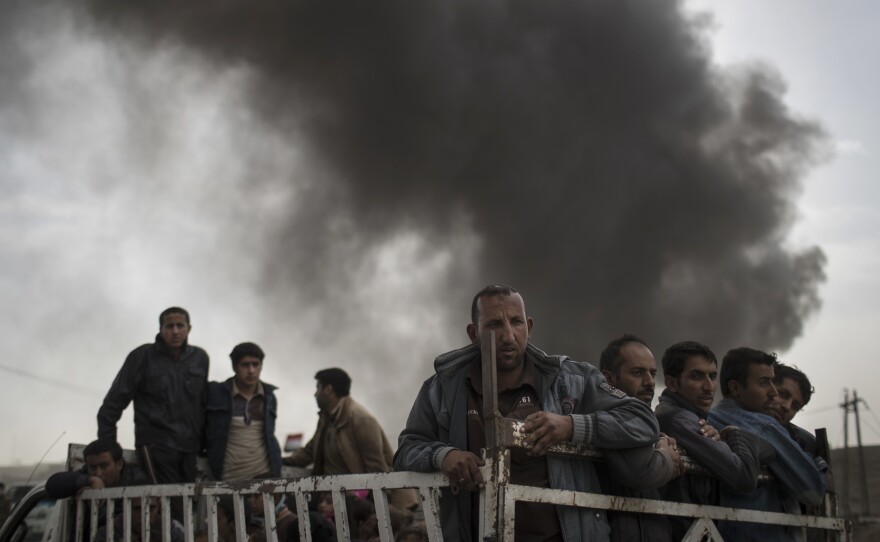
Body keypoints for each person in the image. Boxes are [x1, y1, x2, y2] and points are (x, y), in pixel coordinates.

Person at [394, 284, 662, 541]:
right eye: (494, 325)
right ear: (473, 333)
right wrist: (444, 456)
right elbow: (407, 450)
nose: (508, 336)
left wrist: (571, 426)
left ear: (529, 327)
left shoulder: (570, 380)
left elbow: (642, 421)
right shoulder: (442, 388)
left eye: (516, 322)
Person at [654, 341, 774, 540]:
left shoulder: (694, 418)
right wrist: (736, 435)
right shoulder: (679, 420)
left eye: (712, 376)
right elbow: (743, 476)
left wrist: (727, 439)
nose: (709, 387)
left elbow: (770, 451)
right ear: (672, 383)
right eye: (696, 376)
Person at [708, 347, 827, 542]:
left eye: (796, 405)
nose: (784, 405)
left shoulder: (708, 417)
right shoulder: (764, 427)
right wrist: (819, 463)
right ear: (736, 387)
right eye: (782, 393)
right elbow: (813, 491)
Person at [283, 368, 419, 525]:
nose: (315, 394)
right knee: (292, 509)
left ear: (328, 389)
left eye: (318, 387)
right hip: (330, 494)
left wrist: (353, 502)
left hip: (358, 497)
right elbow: (309, 452)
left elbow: (377, 472)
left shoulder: (360, 419)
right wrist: (280, 460)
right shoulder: (326, 417)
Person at [97, 307, 209, 484]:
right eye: (169, 326)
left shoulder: (200, 358)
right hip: (156, 447)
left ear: (189, 328)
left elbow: (202, 406)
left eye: (180, 326)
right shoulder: (142, 357)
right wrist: (109, 450)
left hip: (189, 449)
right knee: (167, 505)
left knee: (187, 505)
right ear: (161, 329)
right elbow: (112, 405)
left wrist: (204, 445)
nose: (175, 331)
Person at [595, 334, 681, 542]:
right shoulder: (599, 421)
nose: (650, 382)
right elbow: (641, 474)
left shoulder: (658, 431)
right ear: (609, 378)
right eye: (637, 373)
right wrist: (665, 456)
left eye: (652, 373)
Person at [45, 439, 150, 541]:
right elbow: (51, 485)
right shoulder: (87, 475)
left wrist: (98, 504)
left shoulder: (137, 480)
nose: (98, 473)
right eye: (93, 467)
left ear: (119, 464)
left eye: (104, 466)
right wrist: (89, 480)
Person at [206, 342, 282, 481]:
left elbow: (269, 437)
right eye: (245, 365)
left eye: (255, 364)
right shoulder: (217, 394)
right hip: (229, 479)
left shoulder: (269, 397)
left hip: (263, 481)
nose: (251, 370)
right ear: (234, 367)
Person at [772, 362, 818, 456]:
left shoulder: (805, 444)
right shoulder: (735, 423)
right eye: (783, 394)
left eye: (795, 406)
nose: (787, 407)